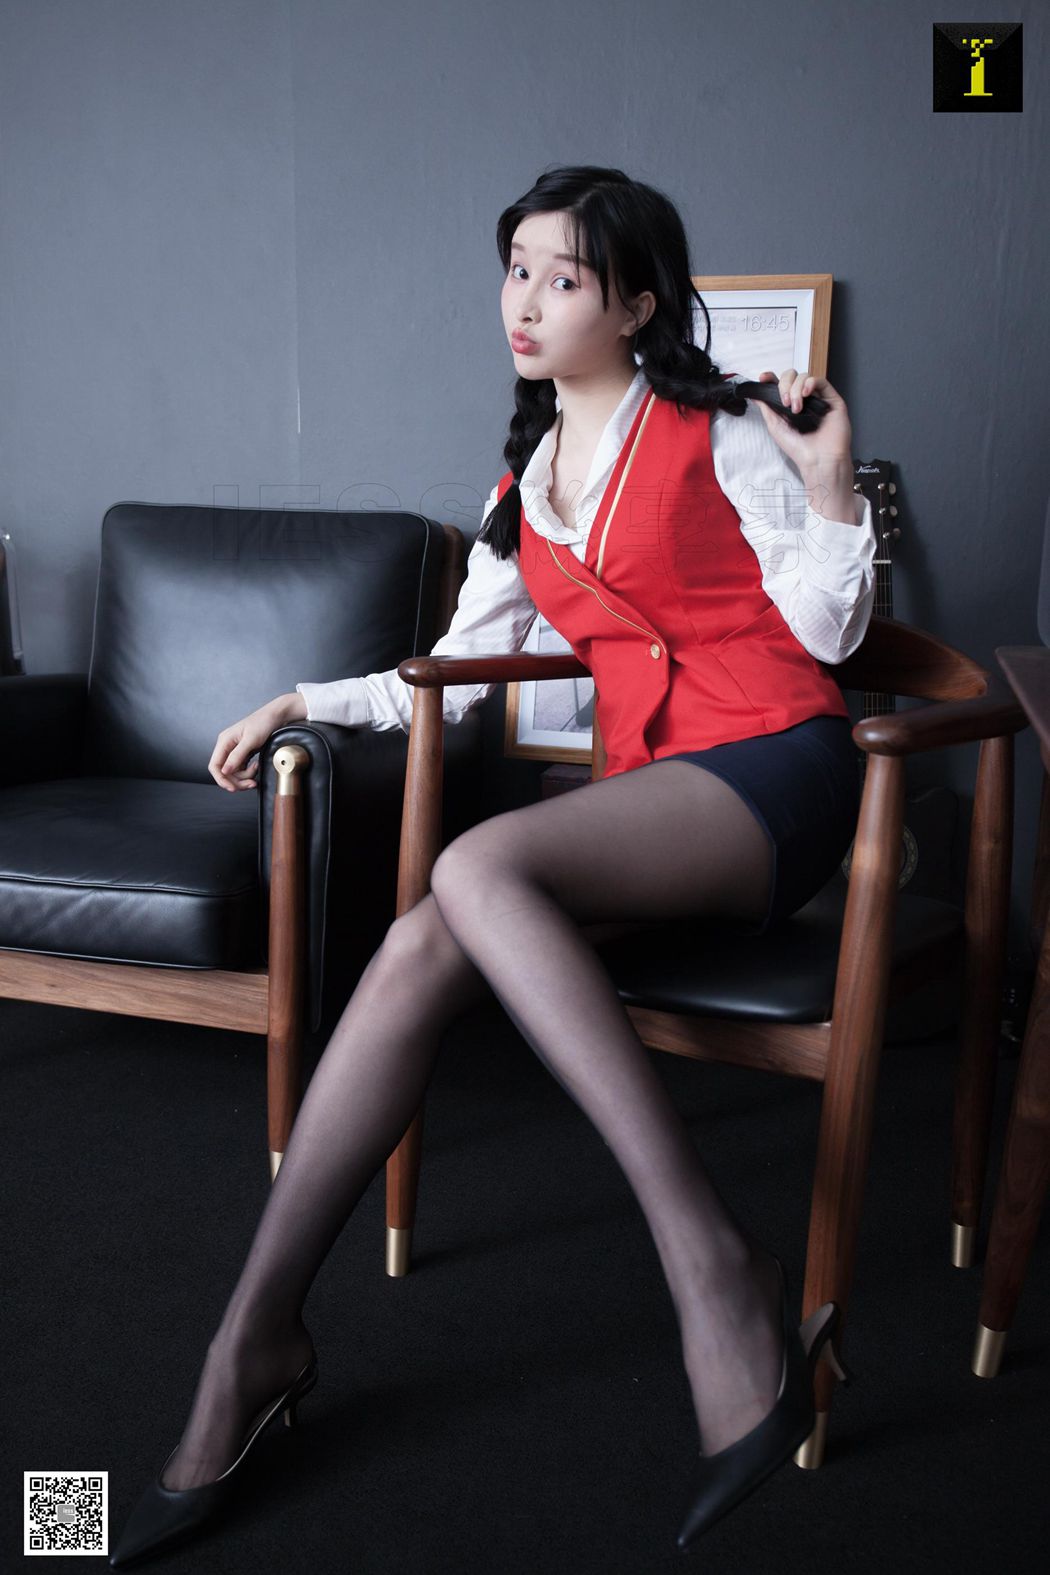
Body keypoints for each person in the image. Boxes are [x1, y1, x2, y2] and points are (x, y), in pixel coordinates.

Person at [110, 164, 872, 1567]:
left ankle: (711, 1266)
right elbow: (453, 676)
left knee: (473, 869)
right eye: (515, 269)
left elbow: (826, 637)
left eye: (562, 278)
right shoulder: (523, 487)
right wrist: (300, 701)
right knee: (422, 940)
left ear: (636, 306)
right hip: (657, 801)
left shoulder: (719, 427)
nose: (523, 301)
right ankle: (253, 1337)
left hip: (782, 768)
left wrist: (828, 487)